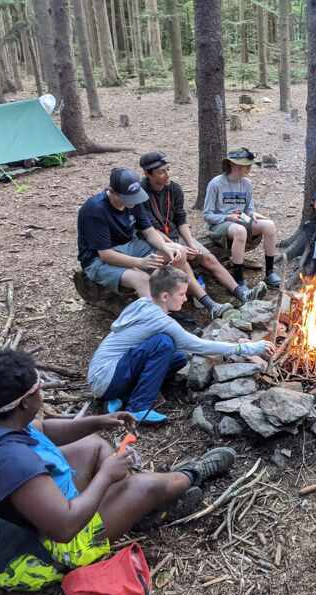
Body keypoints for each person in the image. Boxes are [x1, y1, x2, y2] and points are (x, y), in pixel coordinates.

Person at [0, 349, 238, 593]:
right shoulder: (14, 464)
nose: (41, 392)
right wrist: (107, 474)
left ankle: (140, 510)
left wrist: (98, 421)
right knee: (143, 487)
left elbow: (41, 428)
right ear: (27, 401)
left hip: (21, 520)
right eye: (38, 387)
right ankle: (190, 475)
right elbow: (65, 529)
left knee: (91, 445)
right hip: (33, 551)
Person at [89, 266, 275, 423]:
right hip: (106, 377)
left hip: (106, 376)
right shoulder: (160, 319)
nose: (185, 299)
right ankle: (139, 407)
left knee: (177, 358)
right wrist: (246, 348)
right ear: (164, 296)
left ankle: (120, 396)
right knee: (164, 343)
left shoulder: (144, 302)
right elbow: (199, 345)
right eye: (182, 294)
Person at [77, 167, 231, 320]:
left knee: (178, 252)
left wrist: (165, 248)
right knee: (141, 278)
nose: (133, 202)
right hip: (97, 259)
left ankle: (170, 306)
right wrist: (141, 262)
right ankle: (161, 323)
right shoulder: (95, 209)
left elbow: (150, 232)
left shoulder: (134, 200)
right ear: (112, 191)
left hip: (129, 245)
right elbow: (106, 255)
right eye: (129, 198)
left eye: (135, 197)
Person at [139, 151, 267, 307]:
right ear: (148, 174)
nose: (167, 174)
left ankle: (242, 293)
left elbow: (181, 220)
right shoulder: (141, 193)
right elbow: (150, 229)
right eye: (161, 172)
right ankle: (211, 305)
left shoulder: (174, 189)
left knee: (208, 258)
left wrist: (190, 243)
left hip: (174, 235)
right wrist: (181, 247)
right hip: (154, 240)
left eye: (168, 169)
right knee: (185, 266)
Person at [203, 147, 282, 289]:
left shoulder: (247, 184)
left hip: (240, 218)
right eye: (246, 164)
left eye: (250, 164)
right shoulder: (216, 184)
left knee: (269, 225)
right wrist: (228, 217)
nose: (249, 168)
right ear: (233, 165)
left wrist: (252, 214)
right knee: (240, 231)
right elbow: (207, 215)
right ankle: (239, 280)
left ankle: (269, 273)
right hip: (220, 222)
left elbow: (248, 210)